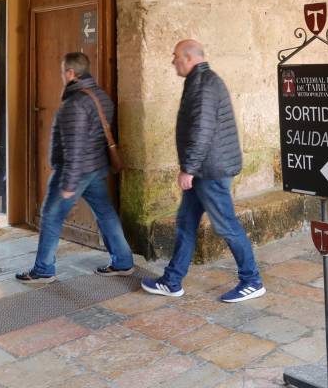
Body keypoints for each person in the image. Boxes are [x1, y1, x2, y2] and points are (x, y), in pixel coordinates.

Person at [141, 40, 265, 302]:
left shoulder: (204, 84)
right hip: (205, 170)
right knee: (186, 223)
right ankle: (172, 280)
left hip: (210, 171)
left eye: (175, 56)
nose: (172, 61)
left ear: (188, 58)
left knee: (227, 225)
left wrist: (189, 169)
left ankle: (252, 280)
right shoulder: (201, 81)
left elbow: (201, 130)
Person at [16, 52, 134, 283]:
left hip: (75, 172)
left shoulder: (75, 104)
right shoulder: (100, 96)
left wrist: (68, 184)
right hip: (94, 168)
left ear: (70, 73)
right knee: (105, 213)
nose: (62, 76)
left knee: (51, 216)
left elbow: (74, 148)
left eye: (62, 72)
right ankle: (123, 261)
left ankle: (43, 269)